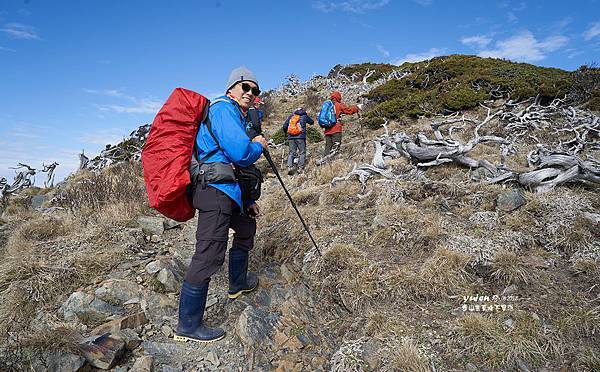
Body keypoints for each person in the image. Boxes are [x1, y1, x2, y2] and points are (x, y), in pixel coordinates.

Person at [174, 66, 269, 343]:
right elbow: (241, 154)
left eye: (255, 90)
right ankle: (187, 326)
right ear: (232, 88)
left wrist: (248, 200)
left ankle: (237, 284)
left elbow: (234, 165)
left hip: (227, 190)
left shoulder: (235, 114)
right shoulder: (223, 108)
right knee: (208, 255)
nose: (251, 93)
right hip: (214, 190)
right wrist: (259, 144)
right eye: (246, 87)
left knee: (246, 227)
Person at [322, 91, 362, 158]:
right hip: (336, 129)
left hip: (327, 129)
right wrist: (357, 107)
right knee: (336, 145)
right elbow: (348, 111)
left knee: (328, 146)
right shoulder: (339, 105)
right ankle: (333, 161)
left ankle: (324, 161)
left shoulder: (327, 105)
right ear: (338, 97)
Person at [283, 107, 314, 175]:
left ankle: (289, 166)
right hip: (300, 137)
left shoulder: (291, 116)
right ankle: (300, 167)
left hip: (291, 137)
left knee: (291, 152)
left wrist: (285, 133)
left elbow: (285, 126)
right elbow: (312, 122)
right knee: (302, 152)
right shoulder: (304, 116)